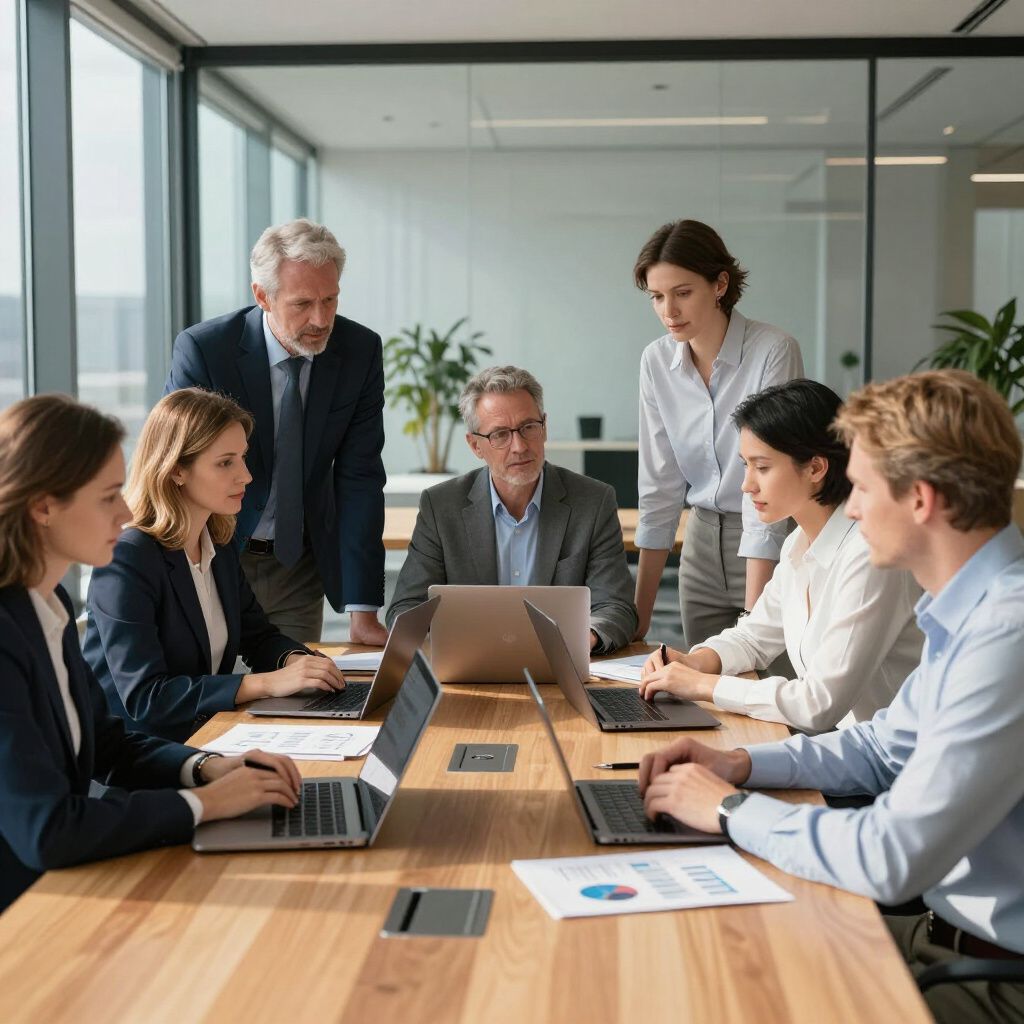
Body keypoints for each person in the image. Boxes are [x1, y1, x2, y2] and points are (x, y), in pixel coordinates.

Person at [638, 370, 1024, 1023]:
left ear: (922, 500)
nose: (850, 507)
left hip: (990, 978)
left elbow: (890, 857)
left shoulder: (1006, 635)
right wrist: (743, 766)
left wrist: (731, 809)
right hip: (943, 935)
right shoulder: (971, 613)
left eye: (864, 489)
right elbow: (881, 747)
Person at [0, 395, 302, 913]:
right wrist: (203, 805)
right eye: (108, 496)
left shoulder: (47, 606)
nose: (125, 511)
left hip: (72, 878)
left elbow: (109, 746)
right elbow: (47, 830)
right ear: (43, 506)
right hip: (28, 914)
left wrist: (208, 767)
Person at [639, 379, 922, 734]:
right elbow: (754, 637)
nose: (746, 485)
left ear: (816, 468)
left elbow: (818, 704)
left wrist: (702, 686)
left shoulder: (869, 556)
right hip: (850, 751)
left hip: (891, 767)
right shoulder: (797, 544)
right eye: (745, 465)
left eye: (762, 467)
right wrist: (695, 661)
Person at [165, 218, 387, 644]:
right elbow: (177, 464)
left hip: (295, 565)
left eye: (330, 299)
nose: (321, 319)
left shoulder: (359, 351)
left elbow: (359, 477)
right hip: (210, 554)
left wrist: (364, 610)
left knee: (294, 697)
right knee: (212, 695)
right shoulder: (206, 351)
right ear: (263, 296)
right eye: (302, 304)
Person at [84, 389, 345, 744]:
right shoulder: (128, 559)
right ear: (176, 469)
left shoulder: (216, 547)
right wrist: (266, 683)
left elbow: (258, 637)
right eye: (226, 462)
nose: (246, 476)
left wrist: (298, 662)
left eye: (242, 458)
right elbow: (147, 697)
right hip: (139, 762)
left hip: (204, 737)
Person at [632, 219, 804, 649]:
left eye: (683, 293)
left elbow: (766, 484)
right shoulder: (655, 362)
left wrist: (751, 623)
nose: (669, 311)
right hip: (700, 542)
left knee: (767, 691)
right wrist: (637, 620)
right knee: (704, 698)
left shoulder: (773, 350)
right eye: (657, 296)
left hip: (771, 537)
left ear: (720, 284)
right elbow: (660, 487)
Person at [387, 365, 638, 652]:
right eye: (500, 435)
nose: (519, 446)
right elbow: (405, 608)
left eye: (528, 427)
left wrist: (586, 637)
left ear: (544, 428)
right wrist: (450, 640)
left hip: (561, 664)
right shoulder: (441, 506)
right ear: (475, 445)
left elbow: (616, 606)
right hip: (471, 664)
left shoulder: (593, 502)